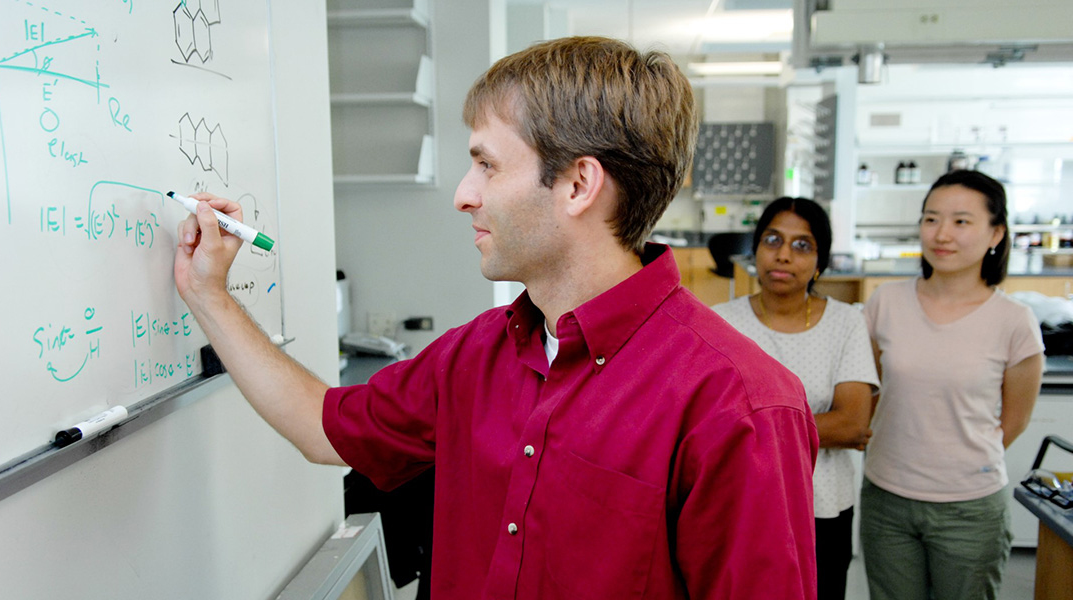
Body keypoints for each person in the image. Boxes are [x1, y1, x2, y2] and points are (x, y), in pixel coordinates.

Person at [174, 36, 819, 599]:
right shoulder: (473, 356)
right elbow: (323, 428)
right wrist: (210, 296)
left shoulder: (741, 405)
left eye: (486, 164)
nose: (463, 194)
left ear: (577, 185)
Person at [860, 170, 1045, 600]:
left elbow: (1014, 422)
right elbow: (870, 394)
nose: (942, 234)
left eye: (961, 221)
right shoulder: (884, 302)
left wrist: (955, 466)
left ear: (996, 232)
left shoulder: (1014, 321)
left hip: (971, 507)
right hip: (886, 500)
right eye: (931, 218)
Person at [713, 197, 879, 600]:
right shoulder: (719, 322)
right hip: (741, 504)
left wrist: (747, 426)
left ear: (819, 261)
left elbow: (854, 422)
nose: (784, 255)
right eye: (773, 240)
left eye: (802, 245)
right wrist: (824, 428)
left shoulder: (846, 322)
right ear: (756, 250)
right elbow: (706, 426)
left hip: (822, 506)